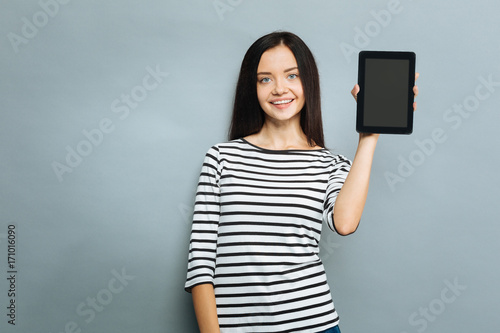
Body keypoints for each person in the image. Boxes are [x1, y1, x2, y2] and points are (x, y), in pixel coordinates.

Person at [185, 31, 418, 333]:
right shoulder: (221, 158)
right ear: (251, 88)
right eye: (265, 79)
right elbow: (200, 264)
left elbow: (345, 223)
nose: (280, 88)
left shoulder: (330, 164)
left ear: (308, 82)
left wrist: (369, 135)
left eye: (292, 75)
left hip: (314, 325)